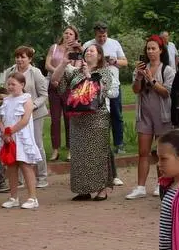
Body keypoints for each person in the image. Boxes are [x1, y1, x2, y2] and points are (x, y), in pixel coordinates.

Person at [61, 44, 117, 201]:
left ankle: (102, 189)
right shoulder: (76, 72)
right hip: (78, 120)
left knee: (98, 154)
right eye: (86, 51)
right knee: (80, 155)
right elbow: (58, 84)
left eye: (92, 50)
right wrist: (63, 63)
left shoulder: (104, 72)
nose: (88, 53)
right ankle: (84, 189)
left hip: (97, 118)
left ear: (99, 56)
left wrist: (87, 74)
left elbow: (100, 92)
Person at [126, 36, 176, 200]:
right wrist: (139, 78)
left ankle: (160, 184)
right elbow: (135, 90)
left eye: (153, 48)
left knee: (161, 152)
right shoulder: (141, 68)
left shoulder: (167, 70)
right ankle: (140, 187)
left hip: (162, 116)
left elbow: (166, 92)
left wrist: (151, 79)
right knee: (143, 152)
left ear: (161, 50)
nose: (150, 51)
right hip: (145, 115)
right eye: (148, 49)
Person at [0, 71, 42, 210]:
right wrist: (4, 132)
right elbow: (0, 119)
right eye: (8, 84)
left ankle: (32, 197)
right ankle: (13, 197)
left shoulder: (26, 99)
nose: (10, 87)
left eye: (13, 84)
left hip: (21, 137)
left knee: (25, 165)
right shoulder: (6, 100)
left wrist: (11, 131)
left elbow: (24, 120)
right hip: (8, 138)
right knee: (11, 166)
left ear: (22, 84)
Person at [85, 23, 129, 152]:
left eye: (104, 36)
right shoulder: (88, 45)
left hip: (113, 85)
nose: (102, 39)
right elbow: (82, 63)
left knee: (116, 114)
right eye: (99, 37)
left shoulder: (114, 43)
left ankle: (119, 143)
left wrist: (114, 61)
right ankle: (100, 145)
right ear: (95, 35)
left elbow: (125, 62)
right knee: (96, 116)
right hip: (94, 85)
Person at [9, 46, 49, 188]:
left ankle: (42, 177)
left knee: (37, 144)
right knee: (18, 145)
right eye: (17, 56)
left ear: (30, 59)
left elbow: (44, 94)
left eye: (23, 57)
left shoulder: (35, 73)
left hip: (35, 114)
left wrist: (33, 105)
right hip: (16, 116)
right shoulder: (11, 71)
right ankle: (19, 180)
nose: (19, 59)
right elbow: (8, 90)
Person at [46, 26, 80, 161]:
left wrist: (62, 74)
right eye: (66, 33)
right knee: (54, 119)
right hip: (54, 85)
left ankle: (71, 149)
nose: (68, 35)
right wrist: (57, 73)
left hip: (69, 87)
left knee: (69, 118)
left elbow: (76, 68)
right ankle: (55, 150)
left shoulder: (76, 51)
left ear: (75, 36)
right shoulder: (54, 47)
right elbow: (47, 64)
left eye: (71, 33)